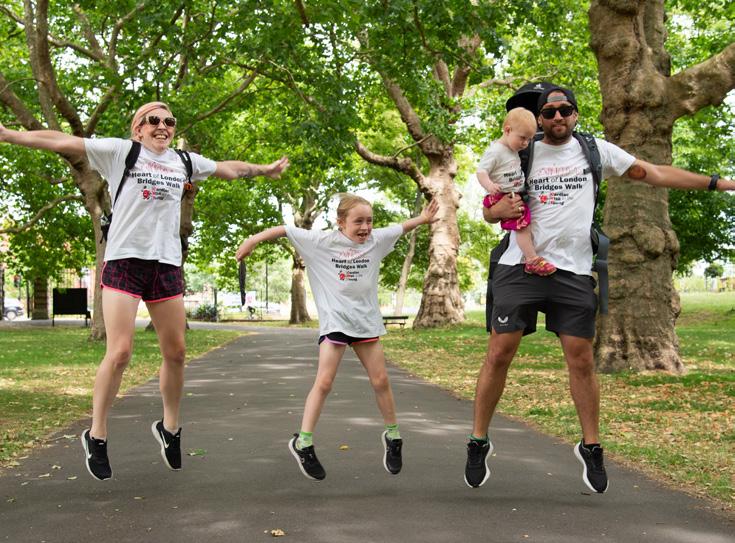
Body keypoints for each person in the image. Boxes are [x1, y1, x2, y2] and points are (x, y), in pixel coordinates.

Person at [464, 86, 735, 493]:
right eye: (549, 111)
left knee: (581, 359)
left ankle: (591, 446)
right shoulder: (521, 150)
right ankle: (478, 439)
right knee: (500, 352)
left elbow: (654, 173)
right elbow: (491, 207)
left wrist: (720, 183)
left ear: (575, 114)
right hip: (519, 265)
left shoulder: (595, 151)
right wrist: (496, 211)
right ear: (539, 118)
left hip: (573, 270)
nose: (558, 117)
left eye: (565, 110)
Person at [0, 102, 289, 481]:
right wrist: (9, 135)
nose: (162, 125)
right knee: (120, 352)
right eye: (153, 120)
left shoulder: (183, 161)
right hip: (124, 262)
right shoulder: (121, 151)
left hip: (165, 264)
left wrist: (264, 169)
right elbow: (61, 141)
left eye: (169, 121)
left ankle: (170, 428)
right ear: (137, 128)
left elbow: (228, 169)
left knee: (177, 353)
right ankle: (97, 434)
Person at [236, 194, 439, 480]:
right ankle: (303, 442)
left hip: (365, 322)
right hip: (336, 322)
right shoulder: (321, 242)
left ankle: (393, 437)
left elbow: (401, 227)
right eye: (358, 221)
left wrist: (424, 218)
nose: (365, 227)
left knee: (381, 380)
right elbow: (284, 229)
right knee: (324, 382)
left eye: (369, 221)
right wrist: (252, 241)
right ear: (341, 222)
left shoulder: (376, 240)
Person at [476, 107, 555, 276]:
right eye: (523, 138)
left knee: (524, 226)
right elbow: (481, 172)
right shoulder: (496, 151)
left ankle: (530, 257)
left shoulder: (512, 149)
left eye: (529, 139)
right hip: (503, 196)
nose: (526, 143)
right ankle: (531, 259)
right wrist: (489, 186)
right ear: (507, 130)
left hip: (513, 194)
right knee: (523, 227)